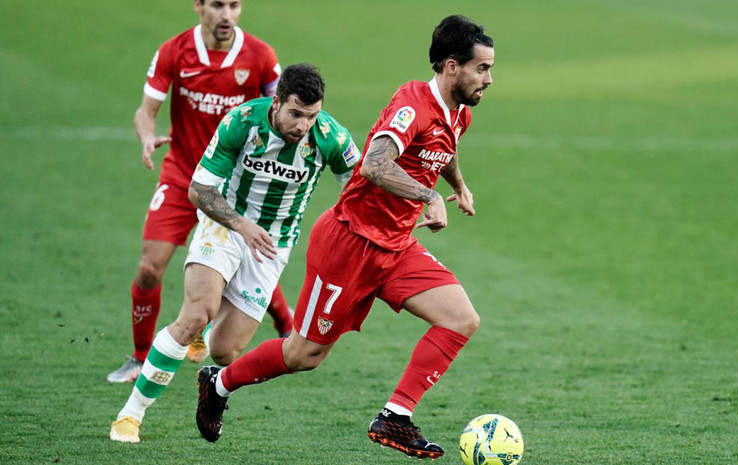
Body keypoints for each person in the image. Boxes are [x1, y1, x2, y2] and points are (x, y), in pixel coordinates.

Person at [195, 15, 495, 460]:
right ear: (452, 67)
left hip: (396, 246)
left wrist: (458, 186)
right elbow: (374, 164)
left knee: (461, 319)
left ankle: (395, 417)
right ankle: (218, 383)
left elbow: (443, 146)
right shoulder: (412, 105)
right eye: (482, 68)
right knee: (303, 355)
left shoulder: (459, 112)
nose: (489, 79)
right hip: (349, 243)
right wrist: (428, 195)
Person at [109, 63, 361, 443]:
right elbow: (199, 190)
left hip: (273, 246)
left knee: (226, 352)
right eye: (295, 114)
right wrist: (242, 226)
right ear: (276, 103)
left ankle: (204, 336)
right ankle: (131, 415)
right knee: (195, 315)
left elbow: (361, 186)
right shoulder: (241, 122)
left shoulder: (330, 137)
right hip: (225, 225)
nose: (303, 125)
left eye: (311, 116)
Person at [107, 0, 295, 384]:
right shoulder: (174, 51)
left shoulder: (260, 56)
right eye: (217, 5)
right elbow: (146, 111)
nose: (226, 14)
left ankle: (286, 326)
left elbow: (284, 112)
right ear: (199, 6)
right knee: (149, 267)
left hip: (237, 184)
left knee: (252, 257)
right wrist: (146, 137)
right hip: (182, 176)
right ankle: (140, 357)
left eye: (234, 5)